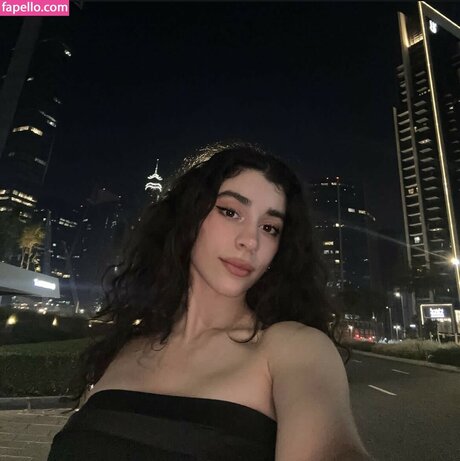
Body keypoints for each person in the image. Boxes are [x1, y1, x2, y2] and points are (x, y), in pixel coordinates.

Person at [48, 142, 371, 460]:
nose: (250, 241)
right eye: (230, 212)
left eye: (270, 227)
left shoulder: (292, 349)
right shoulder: (123, 350)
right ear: (189, 217)